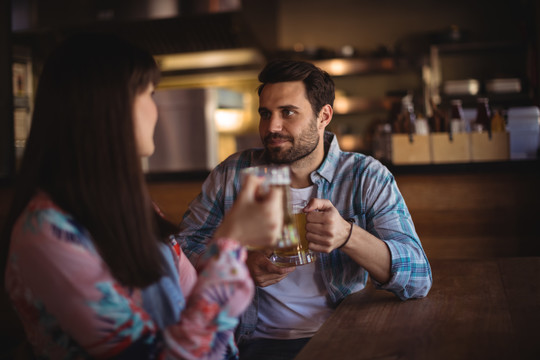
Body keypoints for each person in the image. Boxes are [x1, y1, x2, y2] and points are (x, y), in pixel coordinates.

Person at [1, 33, 284, 360]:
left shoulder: (135, 210)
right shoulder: (46, 233)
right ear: (109, 106)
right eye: (150, 94)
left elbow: (194, 306)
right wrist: (232, 241)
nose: (157, 111)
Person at [176, 59, 433, 359]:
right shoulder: (233, 173)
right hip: (249, 343)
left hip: (342, 339)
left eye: (288, 112)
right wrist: (239, 263)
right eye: (265, 113)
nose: (272, 126)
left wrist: (349, 236)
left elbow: (418, 278)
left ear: (324, 116)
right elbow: (182, 245)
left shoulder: (366, 176)